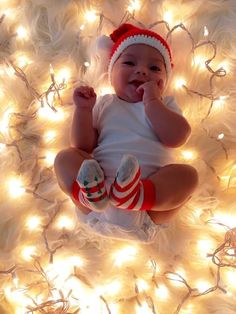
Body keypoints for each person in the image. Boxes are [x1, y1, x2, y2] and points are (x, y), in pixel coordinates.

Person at [54, 23, 199, 242]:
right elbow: (83, 147)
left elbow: (177, 137)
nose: (142, 71)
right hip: (96, 204)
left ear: (164, 80)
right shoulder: (105, 103)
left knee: (188, 176)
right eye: (129, 62)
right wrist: (83, 111)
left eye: (154, 68)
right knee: (65, 158)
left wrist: (152, 102)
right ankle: (88, 194)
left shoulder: (165, 104)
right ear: (111, 73)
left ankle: (134, 195)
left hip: (148, 206)